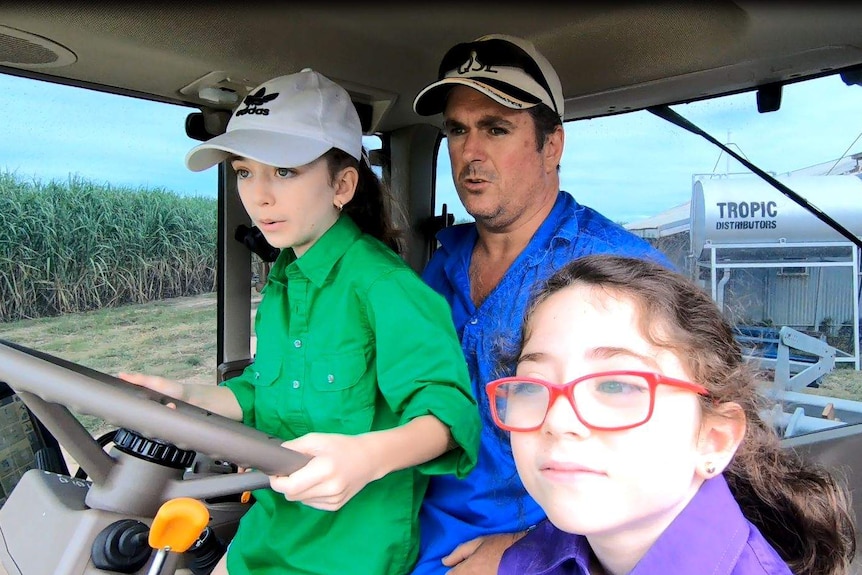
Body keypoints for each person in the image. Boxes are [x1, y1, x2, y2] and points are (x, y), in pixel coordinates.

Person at [121, 69, 480, 575]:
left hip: (349, 556)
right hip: (265, 537)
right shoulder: (285, 280)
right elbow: (265, 390)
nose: (258, 195)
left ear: (343, 184)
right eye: (244, 172)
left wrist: (368, 457)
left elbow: (448, 418)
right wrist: (185, 397)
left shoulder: (386, 288)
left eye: (283, 172)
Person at [410, 34, 674, 573]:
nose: (471, 153)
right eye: (458, 130)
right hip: (407, 533)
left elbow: (674, 457)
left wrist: (532, 546)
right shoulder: (440, 266)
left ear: (552, 146)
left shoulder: (618, 270)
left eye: (496, 129)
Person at [490, 254, 856, 574]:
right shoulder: (532, 558)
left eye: (616, 385)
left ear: (714, 439)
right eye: (531, 384)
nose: (557, 420)